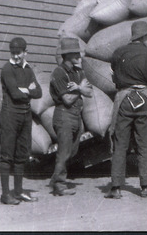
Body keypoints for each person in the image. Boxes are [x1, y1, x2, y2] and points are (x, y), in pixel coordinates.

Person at [105, 21, 147, 199]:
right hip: (143, 99)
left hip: (125, 99)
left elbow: (114, 71)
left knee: (120, 144)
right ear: (142, 37)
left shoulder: (118, 52)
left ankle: (116, 188)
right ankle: (145, 187)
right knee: (143, 144)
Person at [0, 37, 42, 205]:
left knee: (21, 154)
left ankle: (17, 192)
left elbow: (39, 92)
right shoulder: (7, 69)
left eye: (19, 53)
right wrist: (27, 90)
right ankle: (5, 195)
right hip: (10, 115)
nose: (16, 56)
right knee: (7, 154)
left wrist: (25, 90)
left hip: (25, 115)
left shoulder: (28, 69)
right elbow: (15, 94)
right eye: (13, 53)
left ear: (25, 52)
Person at [49, 37, 92, 196]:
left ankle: (55, 178)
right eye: (74, 53)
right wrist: (80, 89)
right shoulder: (58, 73)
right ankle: (59, 186)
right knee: (64, 152)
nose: (78, 56)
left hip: (76, 116)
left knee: (72, 151)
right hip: (64, 115)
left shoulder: (79, 71)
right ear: (66, 55)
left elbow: (90, 92)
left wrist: (79, 89)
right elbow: (66, 100)